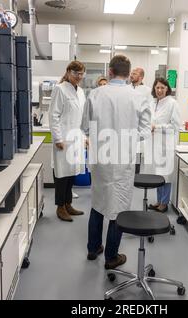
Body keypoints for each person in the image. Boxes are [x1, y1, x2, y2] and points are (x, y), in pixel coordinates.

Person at [82, 55, 151, 269]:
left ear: (110, 72)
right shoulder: (137, 97)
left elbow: (84, 127)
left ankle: (93, 248)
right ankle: (111, 256)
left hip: (101, 158)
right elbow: (145, 130)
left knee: (98, 203)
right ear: (128, 73)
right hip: (123, 159)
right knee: (118, 208)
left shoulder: (95, 94)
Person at [50, 61, 87, 222]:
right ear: (68, 72)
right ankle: (60, 207)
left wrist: (85, 137)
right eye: (75, 73)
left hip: (76, 138)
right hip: (64, 139)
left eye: (81, 74)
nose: (78, 76)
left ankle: (68, 203)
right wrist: (58, 138)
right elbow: (54, 115)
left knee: (71, 173)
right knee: (62, 175)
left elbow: (82, 117)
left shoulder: (81, 92)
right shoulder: (60, 89)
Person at [147, 78, 181, 213]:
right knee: (157, 174)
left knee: (165, 175)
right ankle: (159, 201)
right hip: (154, 144)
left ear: (167, 89)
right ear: (154, 89)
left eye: (162, 87)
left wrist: (157, 127)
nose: (159, 90)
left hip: (166, 144)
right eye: (157, 87)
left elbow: (175, 126)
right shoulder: (153, 102)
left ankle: (164, 203)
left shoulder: (173, 103)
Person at [130, 67, 153, 173]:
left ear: (141, 77)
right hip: (127, 125)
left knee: (137, 154)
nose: (131, 75)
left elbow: (150, 109)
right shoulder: (127, 88)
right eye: (131, 73)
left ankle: (136, 177)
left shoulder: (147, 91)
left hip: (139, 126)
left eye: (134, 74)